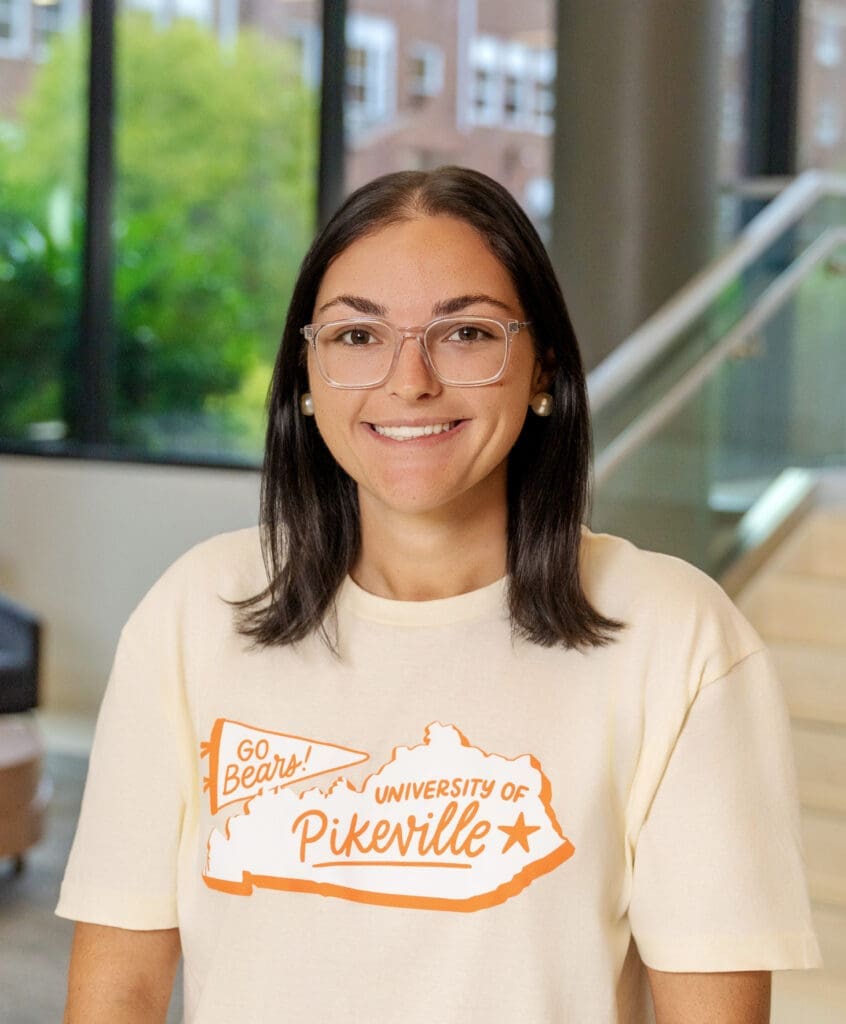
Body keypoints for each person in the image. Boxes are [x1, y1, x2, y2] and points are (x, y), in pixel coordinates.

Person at [58, 166, 821, 1023]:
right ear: (305, 377)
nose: (409, 380)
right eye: (357, 338)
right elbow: (118, 986)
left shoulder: (675, 637)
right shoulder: (196, 611)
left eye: (464, 333)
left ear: (543, 371)